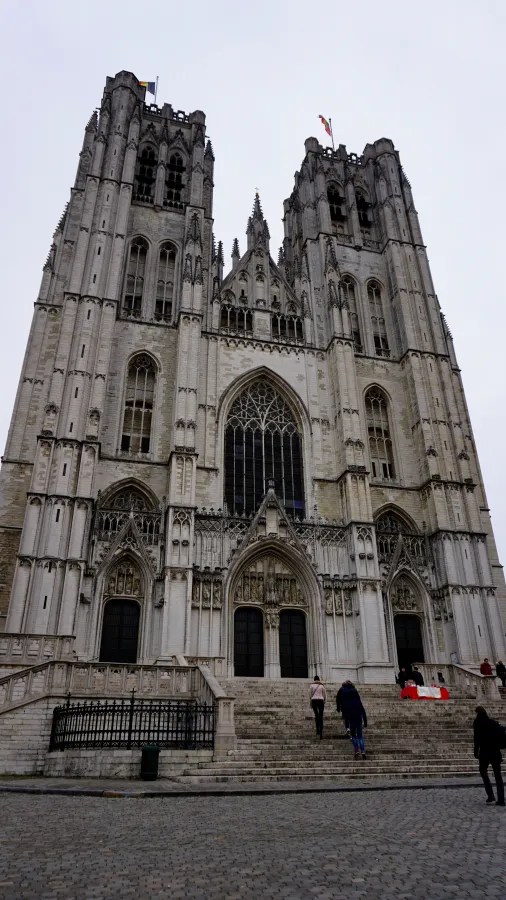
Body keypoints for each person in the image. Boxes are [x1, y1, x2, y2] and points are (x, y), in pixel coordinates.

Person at [473, 706, 504, 806]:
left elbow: (476, 739)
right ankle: (501, 799)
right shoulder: (493, 723)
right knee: (498, 775)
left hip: (484, 752)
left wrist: (475, 751)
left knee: (483, 772)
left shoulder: (477, 723)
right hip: (495, 752)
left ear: (477, 713)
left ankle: (490, 795)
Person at [337, 680, 368, 760]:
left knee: (353, 736)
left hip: (351, 719)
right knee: (360, 737)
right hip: (358, 719)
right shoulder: (357, 700)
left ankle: (356, 750)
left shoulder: (347, 702)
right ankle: (363, 751)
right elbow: (363, 710)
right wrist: (365, 721)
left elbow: (346, 714)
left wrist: (346, 719)